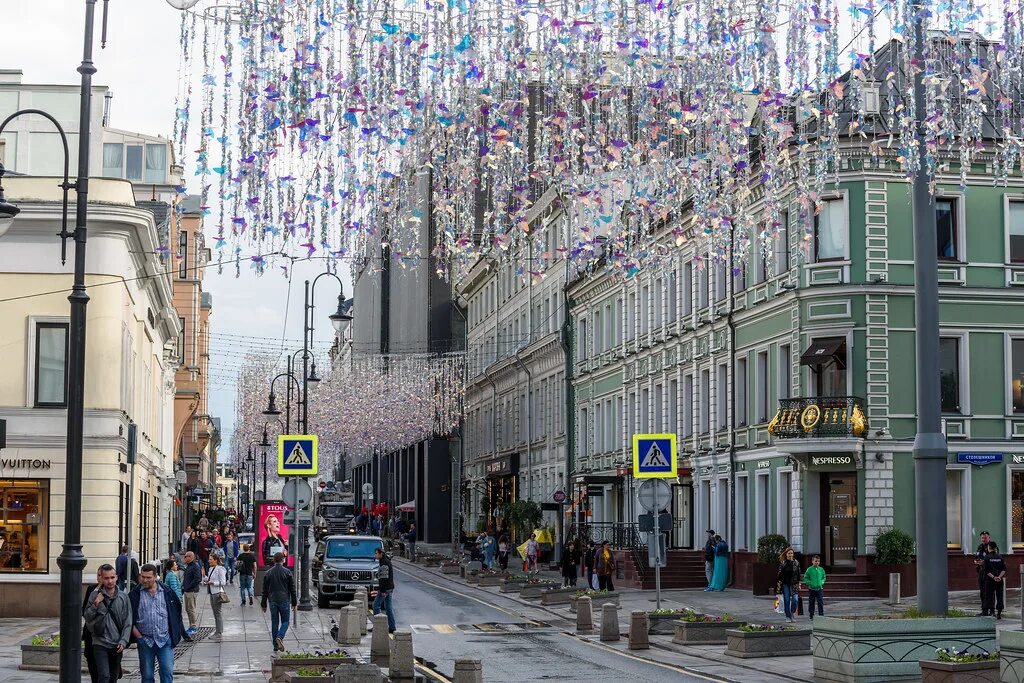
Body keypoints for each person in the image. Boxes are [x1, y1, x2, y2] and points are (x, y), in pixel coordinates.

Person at [130, 563, 185, 683]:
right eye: (142, 577)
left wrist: (175, 634)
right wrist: (139, 637)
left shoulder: (167, 591)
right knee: (147, 675)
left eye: (148, 577)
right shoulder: (135, 594)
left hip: (165, 640)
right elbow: (128, 619)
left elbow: (176, 613)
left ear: (155, 577)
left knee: (167, 672)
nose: (145, 580)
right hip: (145, 641)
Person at [84, 563, 132, 683]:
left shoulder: (123, 597)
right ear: (101, 579)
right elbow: (87, 616)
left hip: (117, 644)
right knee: (104, 676)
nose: (110, 581)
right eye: (106, 578)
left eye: (112, 577)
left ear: (116, 577)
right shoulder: (94, 595)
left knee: (113, 677)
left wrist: (124, 640)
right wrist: (96, 603)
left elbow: (128, 621)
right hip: (100, 642)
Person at [261, 551, 297, 652]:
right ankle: (280, 637)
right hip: (284, 599)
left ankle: (275, 646)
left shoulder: (268, 573)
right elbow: (292, 589)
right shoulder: (287, 572)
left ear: (273, 560)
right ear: (283, 560)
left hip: (272, 600)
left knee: (274, 622)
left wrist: (263, 604)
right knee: (285, 621)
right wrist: (294, 603)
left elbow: (264, 590)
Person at [82, 568, 104, 682]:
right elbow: (84, 611)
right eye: (98, 575)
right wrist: (95, 602)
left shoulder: (113, 591)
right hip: (91, 633)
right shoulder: (91, 589)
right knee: (92, 662)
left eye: (102, 575)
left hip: (106, 634)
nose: (100, 578)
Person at [202, 553, 227, 639]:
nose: (209, 561)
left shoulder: (220, 569)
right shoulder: (210, 568)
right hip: (212, 593)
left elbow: (223, 582)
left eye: (211, 559)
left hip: (217, 593)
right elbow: (208, 579)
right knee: (215, 613)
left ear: (215, 560)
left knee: (217, 613)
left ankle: (219, 632)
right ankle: (218, 631)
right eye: (209, 559)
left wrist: (213, 583)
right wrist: (204, 577)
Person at [373, 547, 397, 633]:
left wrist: (382, 591)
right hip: (389, 588)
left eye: (376, 553)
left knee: (376, 605)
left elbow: (384, 578)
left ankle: (378, 626)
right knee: (388, 608)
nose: (375, 555)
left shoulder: (384, 563)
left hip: (385, 588)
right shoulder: (386, 561)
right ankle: (392, 627)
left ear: (380, 554)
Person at [776, 547, 801, 623]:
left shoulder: (796, 563)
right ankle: (788, 616)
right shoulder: (783, 563)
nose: (790, 555)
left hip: (794, 584)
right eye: (789, 553)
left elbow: (799, 574)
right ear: (786, 554)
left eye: (792, 553)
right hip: (785, 584)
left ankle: (792, 613)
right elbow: (779, 575)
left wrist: (799, 583)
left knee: (795, 600)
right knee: (786, 600)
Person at [983, 541, 1007, 618]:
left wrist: (993, 577)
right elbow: (1004, 569)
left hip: (990, 580)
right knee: (1000, 596)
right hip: (999, 581)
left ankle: (992, 612)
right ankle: (999, 613)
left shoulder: (987, 557)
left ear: (989, 548)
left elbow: (986, 571)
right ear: (995, 548)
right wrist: (999, 577)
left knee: (989, 596)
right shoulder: (1000, 557)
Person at [180, 551, 202, 636]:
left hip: (192, 591)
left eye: (185, 556)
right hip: (187, 591)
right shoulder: (189, 566)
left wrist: (189, 587)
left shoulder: (195, 566)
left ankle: (193, 626)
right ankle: (190, 625)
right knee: (187, 609)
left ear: (190, 557)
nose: (184, 558)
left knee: (191, 609)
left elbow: (197, 579)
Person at [802, 554, 826, 619]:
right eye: (815, 561)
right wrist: (810, 583)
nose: (817, 562)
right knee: (811, 602)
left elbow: (824, 577)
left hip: (819, 589)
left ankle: (821, 614)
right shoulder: (809, 569)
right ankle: (811, 615)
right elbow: (806, 578)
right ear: (812, 561)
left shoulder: (821, 569)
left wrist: (822, 582)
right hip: (812, 589)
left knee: (820, 601)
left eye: (818, 561)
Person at [975, 531, 992, 611]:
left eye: (985, 537)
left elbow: (994, 558)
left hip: (990, 573)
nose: (983, 539)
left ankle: (992, 610)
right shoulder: (980, 547)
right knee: (982, 592)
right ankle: (984, 610)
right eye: (982, 538)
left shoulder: (992, 546)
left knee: (989, 592)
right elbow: (977, 557)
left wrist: (984, 562)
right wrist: (976, 561)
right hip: (981, 571)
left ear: (989, 538)